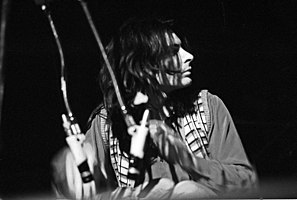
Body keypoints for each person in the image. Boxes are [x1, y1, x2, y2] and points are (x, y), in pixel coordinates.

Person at [51, 18, 258, 199]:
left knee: (188, 192)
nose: (189, 56)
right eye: (174, 51)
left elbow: (247, 184)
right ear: (143, 62)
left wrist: (190, 161)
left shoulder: (207, 105)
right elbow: (80, 184)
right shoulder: (107, 123)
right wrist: (71, 170)